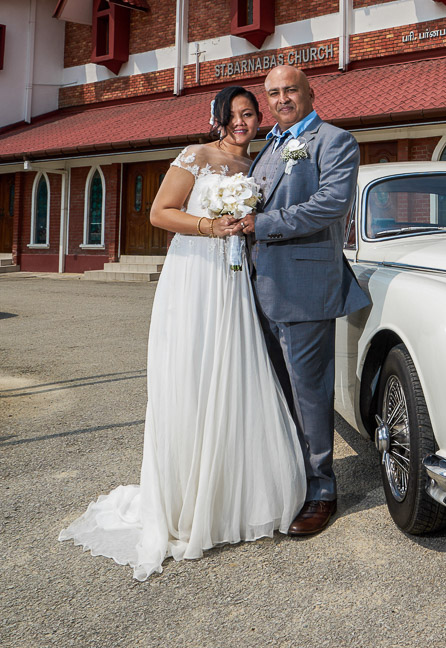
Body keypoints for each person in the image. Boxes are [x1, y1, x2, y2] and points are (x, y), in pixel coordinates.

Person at [58, 87, 306, 580]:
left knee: (235, 371)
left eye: (249, 114)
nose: (242, 122)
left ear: (259, 119)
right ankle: (186, 498)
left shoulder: (259, 167)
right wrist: (209, 227)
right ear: (217, 119)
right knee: (192, 372)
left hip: (236, 280)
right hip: (194, 273)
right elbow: (159, 213)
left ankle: (232, 491)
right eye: (233, 115)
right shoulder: (196, 156)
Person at [239, 65, 368, 537]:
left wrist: (262, 225)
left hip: (306, 288)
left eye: (290, 90)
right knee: (276, 389)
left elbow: (332, 203)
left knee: (310, 394)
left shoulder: (335, 141)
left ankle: (321, 491)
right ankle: (289, 477)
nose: (281, 98)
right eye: (273, 92)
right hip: (258, 286)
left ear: (310, 93)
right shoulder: (267, 148)